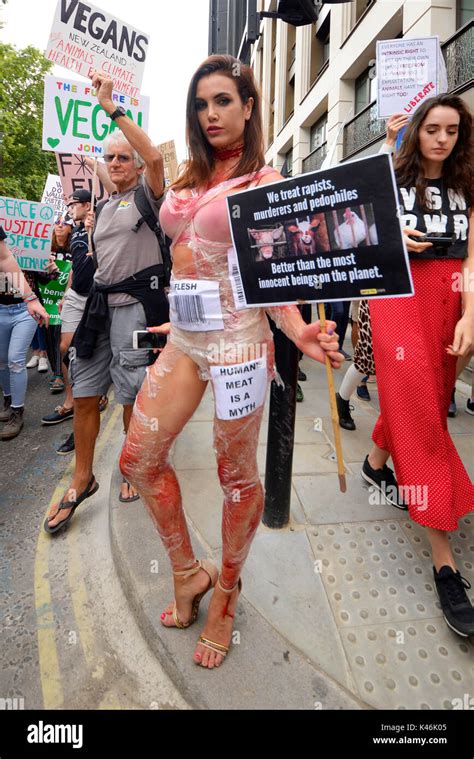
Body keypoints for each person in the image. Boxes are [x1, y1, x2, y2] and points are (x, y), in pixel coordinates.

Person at [119, 54, 343, 669]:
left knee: (236, 480)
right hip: (188, 339)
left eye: (223, 101)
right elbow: (186, 252)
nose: (211, 113)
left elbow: (275, 282)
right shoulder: (189, 175)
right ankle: (189, 569)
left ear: (249, 107)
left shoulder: (265, 183)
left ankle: (226, 592)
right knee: (137, 459)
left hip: (241, 344)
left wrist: (300, 333)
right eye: (201, 103)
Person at [364, 94, 474, 636]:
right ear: (417, 130)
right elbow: (354, 239)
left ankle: (375, 465)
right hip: (397, 299)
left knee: (426, 402)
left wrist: (471, 316)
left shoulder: (469, 187)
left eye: (452, 130)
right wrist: (388, 234)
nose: (441, 138)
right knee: (422, 415)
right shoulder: (389, 178)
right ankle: (444, 557)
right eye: (432, 128)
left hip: (448, 300)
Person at [44, 68, 169, 532]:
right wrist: (62, 242)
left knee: (133, 392)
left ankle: (132, 466)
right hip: (99, 306)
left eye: (122, 158)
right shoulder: (100, 208)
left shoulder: (148, 196)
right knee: (85, 389)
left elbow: (155, 156)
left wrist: (110, 107)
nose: (114, 163)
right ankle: (83, 477)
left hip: (136, 308)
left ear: (136, 168)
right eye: (109, 158)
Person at [41, 190, 108, 455]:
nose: (69, 208)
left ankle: (91, 399)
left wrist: (96, 226)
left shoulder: (97, 221)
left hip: (97, 298)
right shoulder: (75, 231)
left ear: (85, 205)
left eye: (72, 204)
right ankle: (71, 401)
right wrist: (67, 292)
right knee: (64, 348)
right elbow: (76, 267)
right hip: (75, 296)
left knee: (84, 352)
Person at [0, 225, 49, 439]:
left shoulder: (29, 255)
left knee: (15, 360)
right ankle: (8, 399)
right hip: (1, 310)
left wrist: (50, 268)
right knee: (2, 360)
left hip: (23, 311)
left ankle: (17, 412)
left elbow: (46, 279)